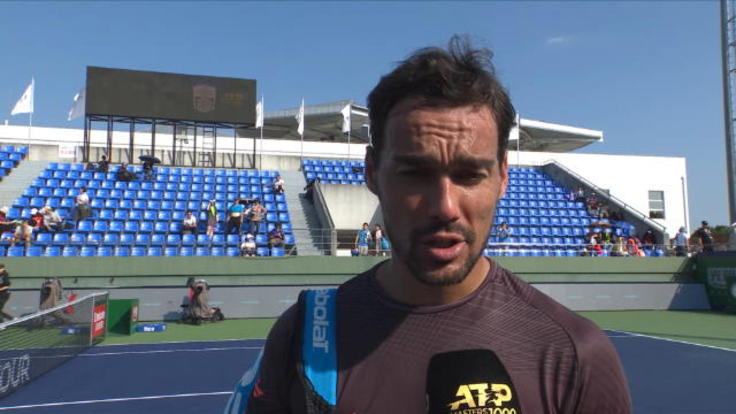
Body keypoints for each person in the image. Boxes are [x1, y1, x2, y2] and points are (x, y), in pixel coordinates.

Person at [226, 37, 631, 413]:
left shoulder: (574, 353)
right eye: (415, 174)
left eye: (470, 175)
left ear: (503, 177)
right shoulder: (302, 338)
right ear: (372, 172)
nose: (445, 207)